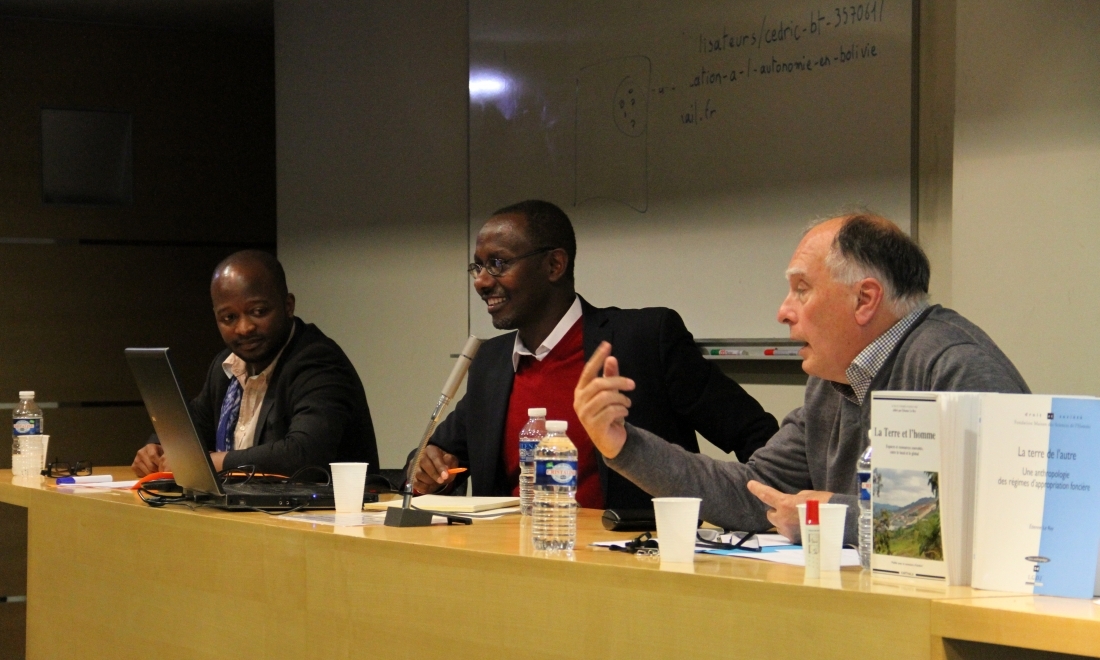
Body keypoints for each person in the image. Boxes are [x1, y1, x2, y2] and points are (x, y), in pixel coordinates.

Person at [575, 213, 1029, 541]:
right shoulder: (833, 382)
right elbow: (755, 494)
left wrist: (827, 517)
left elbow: (1000, 521)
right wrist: (623, 444)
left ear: (865, 299)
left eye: (801, 290)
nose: (783, 311)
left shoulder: (956, 366)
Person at [410, 200, 778, 510]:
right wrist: (428, 470)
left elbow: (757, 436)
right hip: (508, 561)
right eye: (478, 266)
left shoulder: (645, 340)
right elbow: (433, 458)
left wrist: (765, 519)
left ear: (554, 265)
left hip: (628, 561)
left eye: (498, 264)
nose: (481, 281)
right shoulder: (491, 362)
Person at [131, 250, 379, 477]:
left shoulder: (319, 363)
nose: (244, 328)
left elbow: (304, 454)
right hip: (248, 508)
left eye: (258, 312)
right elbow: (191, 426)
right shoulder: (227, 366)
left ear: (288, 306)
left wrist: (214, 462)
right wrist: (158, 447)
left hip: (327, 510)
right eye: (229, 317)